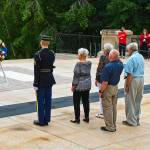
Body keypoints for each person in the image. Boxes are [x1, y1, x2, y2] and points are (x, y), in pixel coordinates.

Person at [33, 35, 56, 126]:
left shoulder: (38, 54)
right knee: (48, 100)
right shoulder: (52, 53)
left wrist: (35, 83)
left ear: (41, 43)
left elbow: (36, 70)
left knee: (40, 101)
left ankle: (41, 121)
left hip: (41, 80)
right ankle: (47, 119)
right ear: (48, 43)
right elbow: (51, 67)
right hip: (49, 79)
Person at [99, 50, 123, 132]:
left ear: (110, 56)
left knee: (107, 107)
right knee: (114, 107)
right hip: (115, 87)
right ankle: (113, 124)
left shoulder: (108, 67)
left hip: (108, 88)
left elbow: (105, 83)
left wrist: (101, 91)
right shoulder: (120, 64)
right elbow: (119, 60)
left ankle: (110, 127)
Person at [123, 42, 144, 126]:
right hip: (141, 79)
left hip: (134, 80)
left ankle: (131, 121)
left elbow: (130, 74)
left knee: (130, 100)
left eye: (128, 50)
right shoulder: (141, 56)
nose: (127, 51)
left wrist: (127, 85)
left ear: (131, 50)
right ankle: (136, 119)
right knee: (137, 100)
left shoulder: (131, 58)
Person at [71, 48, 92, 124]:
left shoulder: (78, 64)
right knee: (86, 101)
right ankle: (87, 117)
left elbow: (76, 76)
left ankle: (77, 118)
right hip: (87, 84)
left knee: (76, 102)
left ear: (80, 55)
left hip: (79, 85)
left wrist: (73, 86)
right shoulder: (89, 63)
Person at [95, 43, 114, 119]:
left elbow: (99, 68)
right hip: (111, 80)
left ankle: (102, 113)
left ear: (106, 50)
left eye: (103, 49)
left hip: (102, 80)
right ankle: (108, 112)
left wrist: (96, 78)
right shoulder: (113, 57)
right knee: (109, 98)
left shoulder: (103, 57)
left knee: (101, 96)